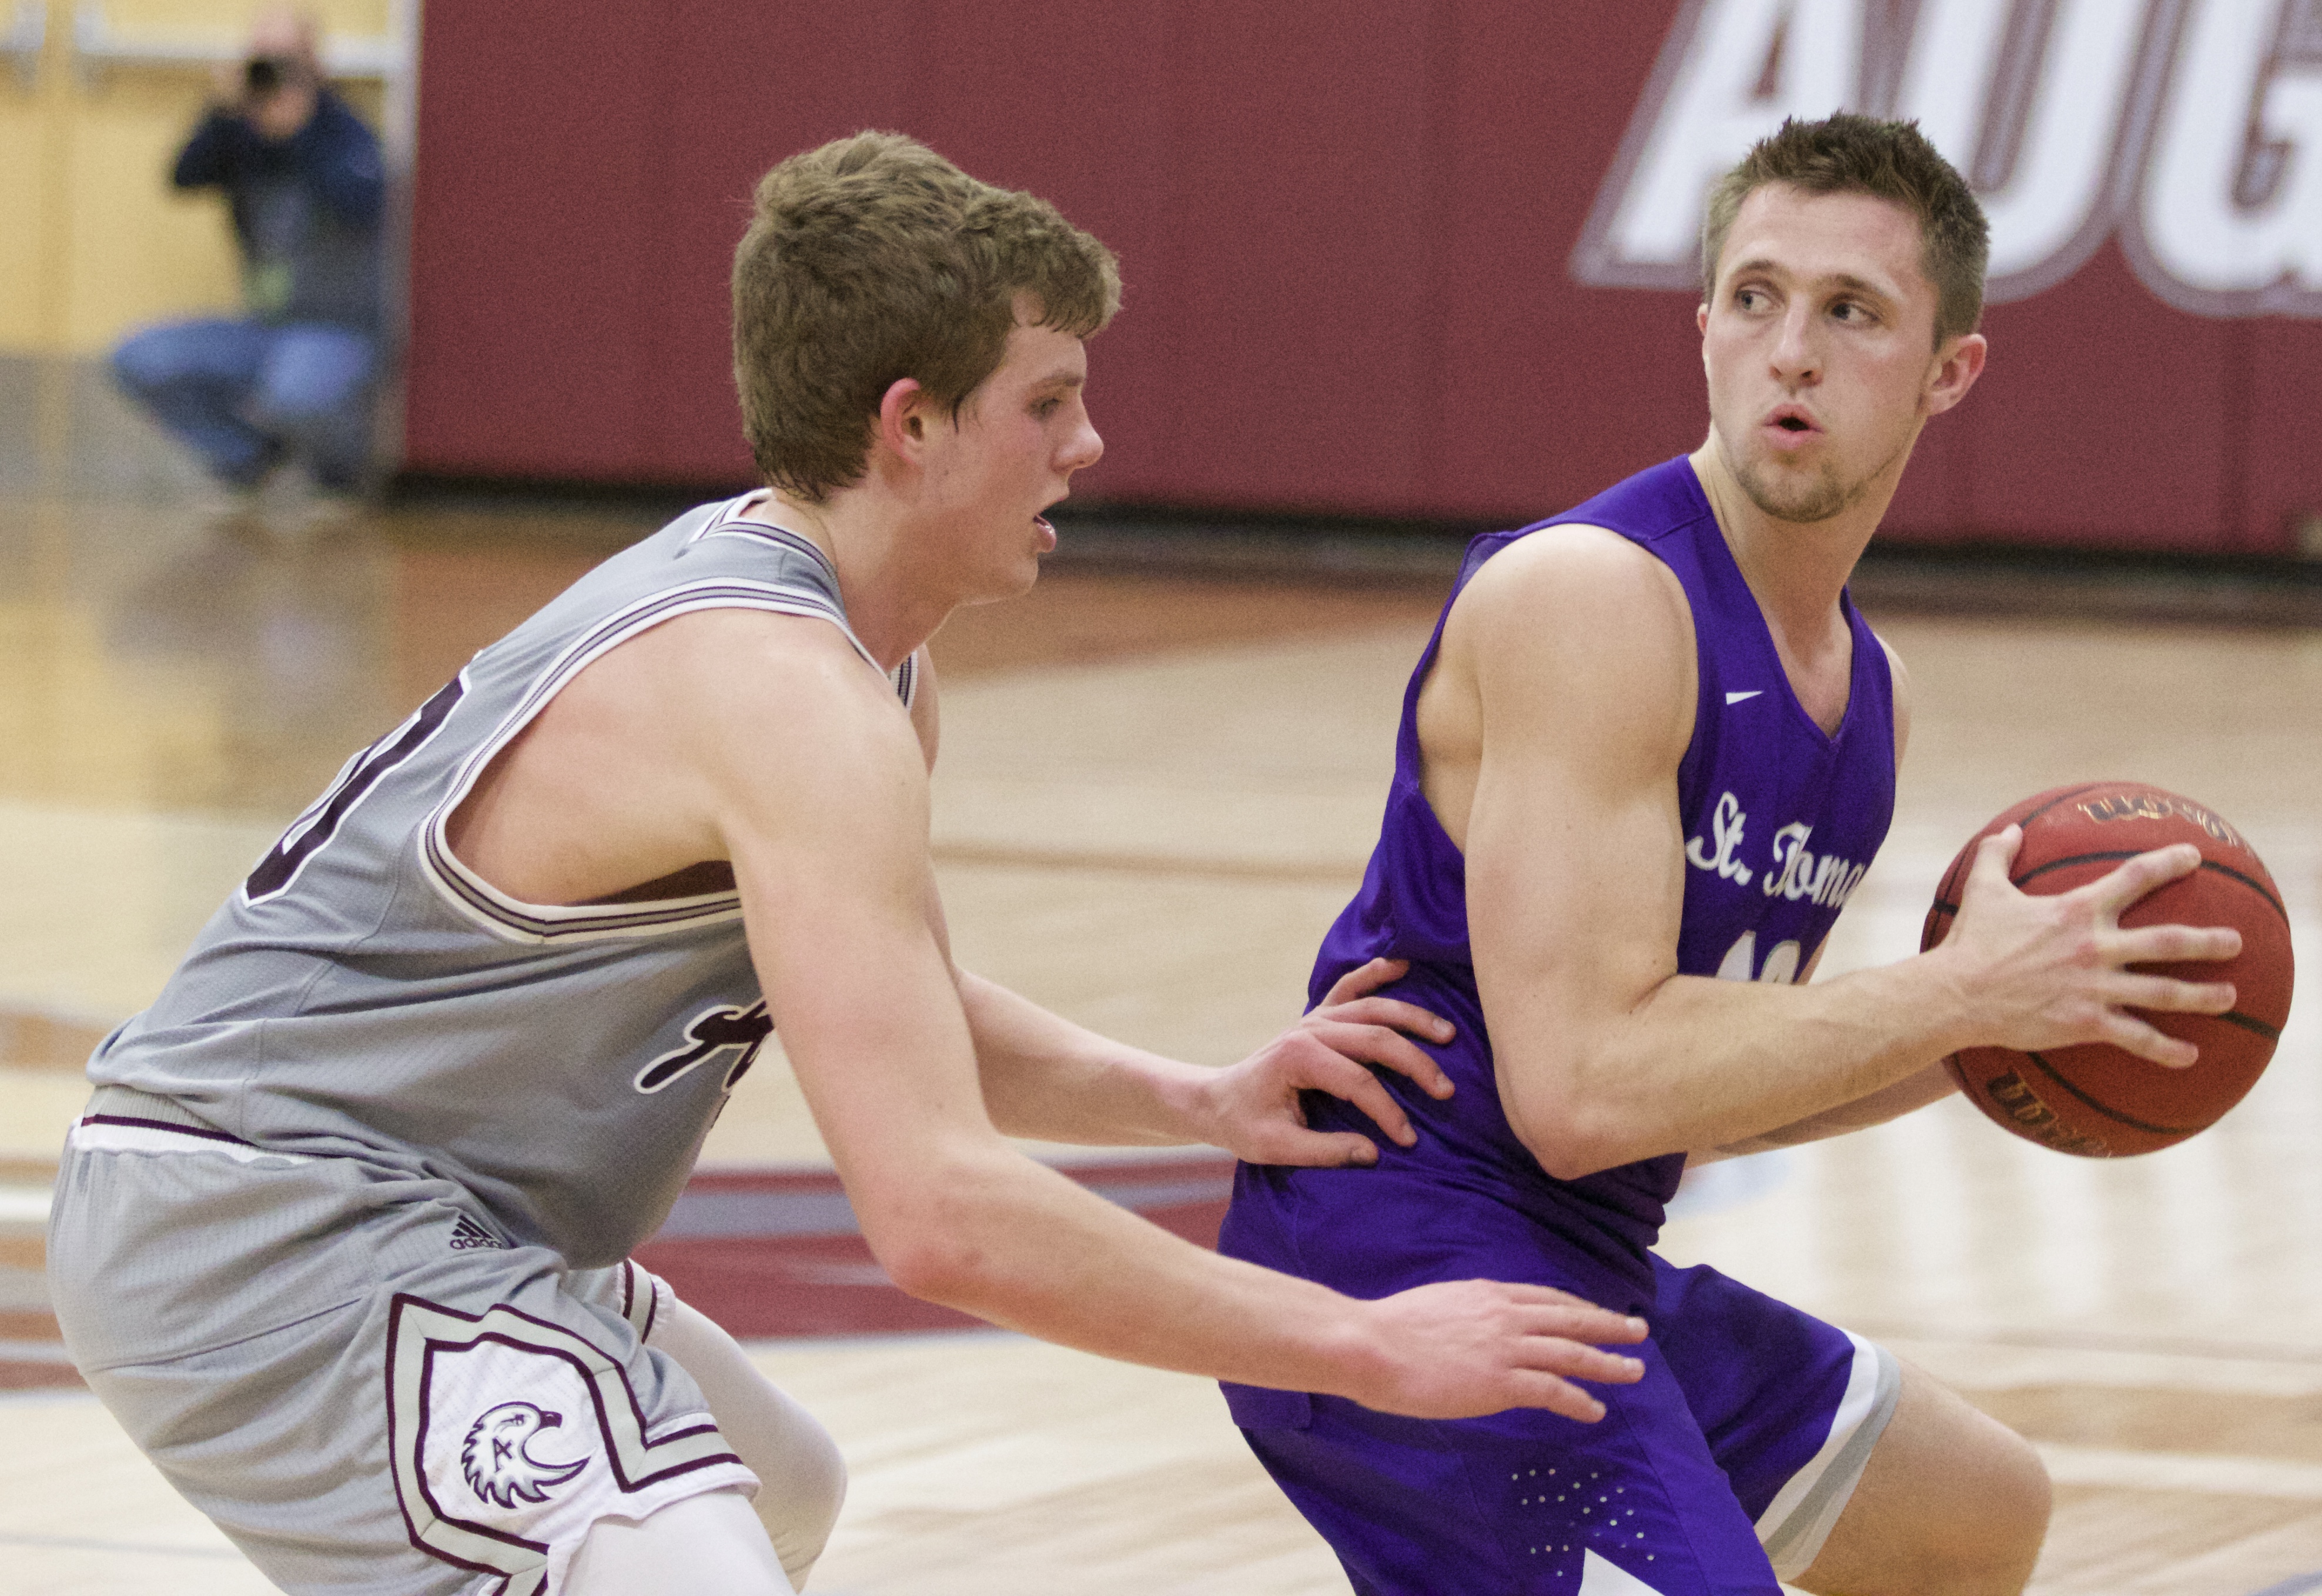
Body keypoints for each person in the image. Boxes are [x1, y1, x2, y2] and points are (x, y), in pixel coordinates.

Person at [46, 132, 1648, 1596]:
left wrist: (1190, 1096)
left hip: (410, 1219)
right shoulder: (784, 696)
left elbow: (892, 997)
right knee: (676, 1558)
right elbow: (937, 1213)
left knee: (771, 1490)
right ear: (910, 425)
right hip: (267, 1221)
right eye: (1046, 401)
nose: (1087, 443)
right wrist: (1359, 1345)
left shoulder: (863, 663)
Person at [1215, 113, 2244, 1596]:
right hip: (1396, 1253)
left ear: (1947, 369)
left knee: (1967, 1511)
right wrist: (1954, 997)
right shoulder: (1594, 597)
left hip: (1579, 1254)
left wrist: (2030, 1013)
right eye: (1754, 298)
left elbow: (1701, 1095)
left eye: (1850, 312)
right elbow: (1581, 1091)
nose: (1791, 349)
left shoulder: (1861, 692)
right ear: (1700, 328)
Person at [111, 6, 383, 508]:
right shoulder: (241, 132)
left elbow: (363, 203)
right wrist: (220, 110)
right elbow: (182, 176)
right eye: (262, 59)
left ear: (315, 65)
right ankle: (253, 460)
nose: (273, 74)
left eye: (287, 60)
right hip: (262, 327)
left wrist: (300, 132)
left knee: (294, 392)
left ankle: (338, 477)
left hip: (336, 328)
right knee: (140, 359)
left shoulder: (345, 132)